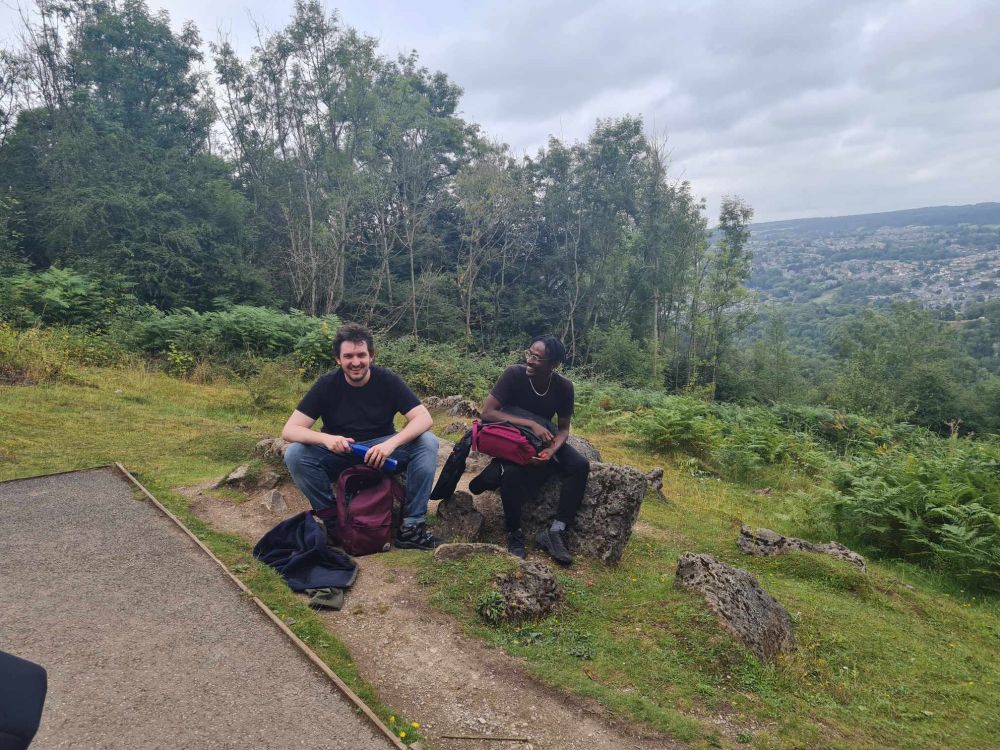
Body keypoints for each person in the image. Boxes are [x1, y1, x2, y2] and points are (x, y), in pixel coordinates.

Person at [281, 322, 441, 550]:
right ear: (338, 359)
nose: (355, 362)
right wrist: (327, 439)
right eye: (348, 356)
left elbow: (424, 418)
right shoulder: (327, 385)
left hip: (382, 451)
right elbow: (290, 430)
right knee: (295, 453)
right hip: (340, 452)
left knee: (428, 441)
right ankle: (334, 521)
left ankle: (412, 527)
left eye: (361, 355)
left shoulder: (388, 380)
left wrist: (390, 443)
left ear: (371, 355)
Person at [474, 335, 589, 564]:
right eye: (529, 354)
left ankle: (555, 531)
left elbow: (564, 429)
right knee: (513, 470)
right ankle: (514, 532)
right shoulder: (513, 375)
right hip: (510, 436)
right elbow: (488, 413)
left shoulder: (564, 387)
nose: (530, 360)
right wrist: (531, 424)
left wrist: (552, 451)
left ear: (553, 364)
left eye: (537, 358)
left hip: (541, 441)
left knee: (579, 465)